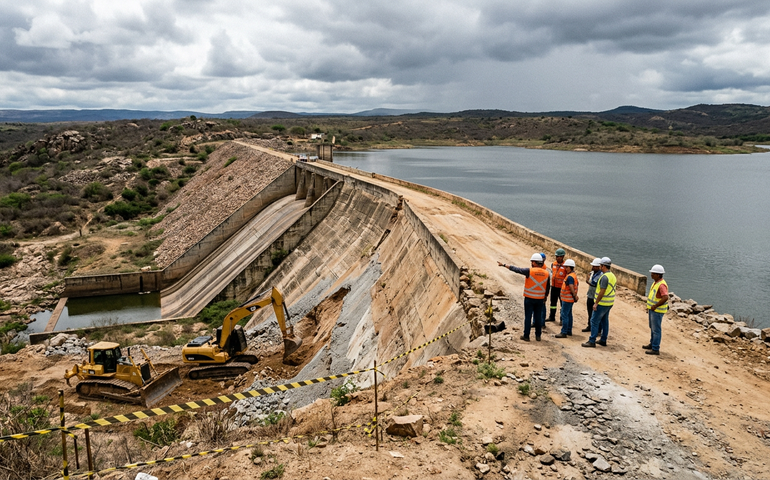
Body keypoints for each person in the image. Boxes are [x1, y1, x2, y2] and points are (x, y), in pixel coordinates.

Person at [498, 254, 551, 342]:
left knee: (528, 317)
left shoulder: (529, 271)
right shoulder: (547, 273)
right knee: (538, 317)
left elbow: (516, 269)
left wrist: (504, 265)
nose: (531, 263)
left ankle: (526, 336)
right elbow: (548, 287)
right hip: (540, 299)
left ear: (534, 262)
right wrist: (545, 297)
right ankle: (538, 336)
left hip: (529, 298)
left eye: (531, 262)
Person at [582, 257, 616, 348]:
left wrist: (596, 302)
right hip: (609, 303)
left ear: (603, 266)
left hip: (602, 303)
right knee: (605, 321)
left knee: (594, 321)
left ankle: (592, 340)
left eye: (601, 265)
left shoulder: (604, 277)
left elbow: (602, 291)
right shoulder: (612, 275)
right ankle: (603, 339)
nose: (600, 267)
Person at [644, 264, 669, 355]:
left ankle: (655, 348)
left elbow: (665, 297)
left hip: (657, 311)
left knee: (656, 330)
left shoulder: (661, 285)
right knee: (652, 328)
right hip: (653, 310)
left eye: (653, 273)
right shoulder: (656, 283)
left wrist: (655, 306)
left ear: (658, 274)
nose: (651, 275)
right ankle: (652, 343)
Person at [555, 259, 579, 338]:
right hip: (569, 299)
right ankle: (569, 330)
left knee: (564, 314)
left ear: (570, 267)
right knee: (569, 314)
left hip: (567, 299)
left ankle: (564, 332)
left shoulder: (570, 277)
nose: (565, 268)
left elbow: (571, 287)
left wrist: (575, 295)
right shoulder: (573, 275)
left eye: (567, 267)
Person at [583, 258, 602, 332]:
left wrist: (588, 281)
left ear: (598, 267)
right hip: (590, 295)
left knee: (596, 315)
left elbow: (594, 283)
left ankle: (598, 329)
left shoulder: (601, 275)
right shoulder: (592, 273)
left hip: (596, 297)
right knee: (589, 312)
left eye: (594, 266)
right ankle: (589, 326)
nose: (592, 267)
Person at [548, 248, 567, 323]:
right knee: (553, 303)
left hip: (561, 288)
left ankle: (562, 319)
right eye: (556, 256)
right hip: (554, 287)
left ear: (563, 256)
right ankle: (551, 316)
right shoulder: (553, 264)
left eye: (559, 256)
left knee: (562, 304)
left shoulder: (565, 266)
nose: (557, 258)